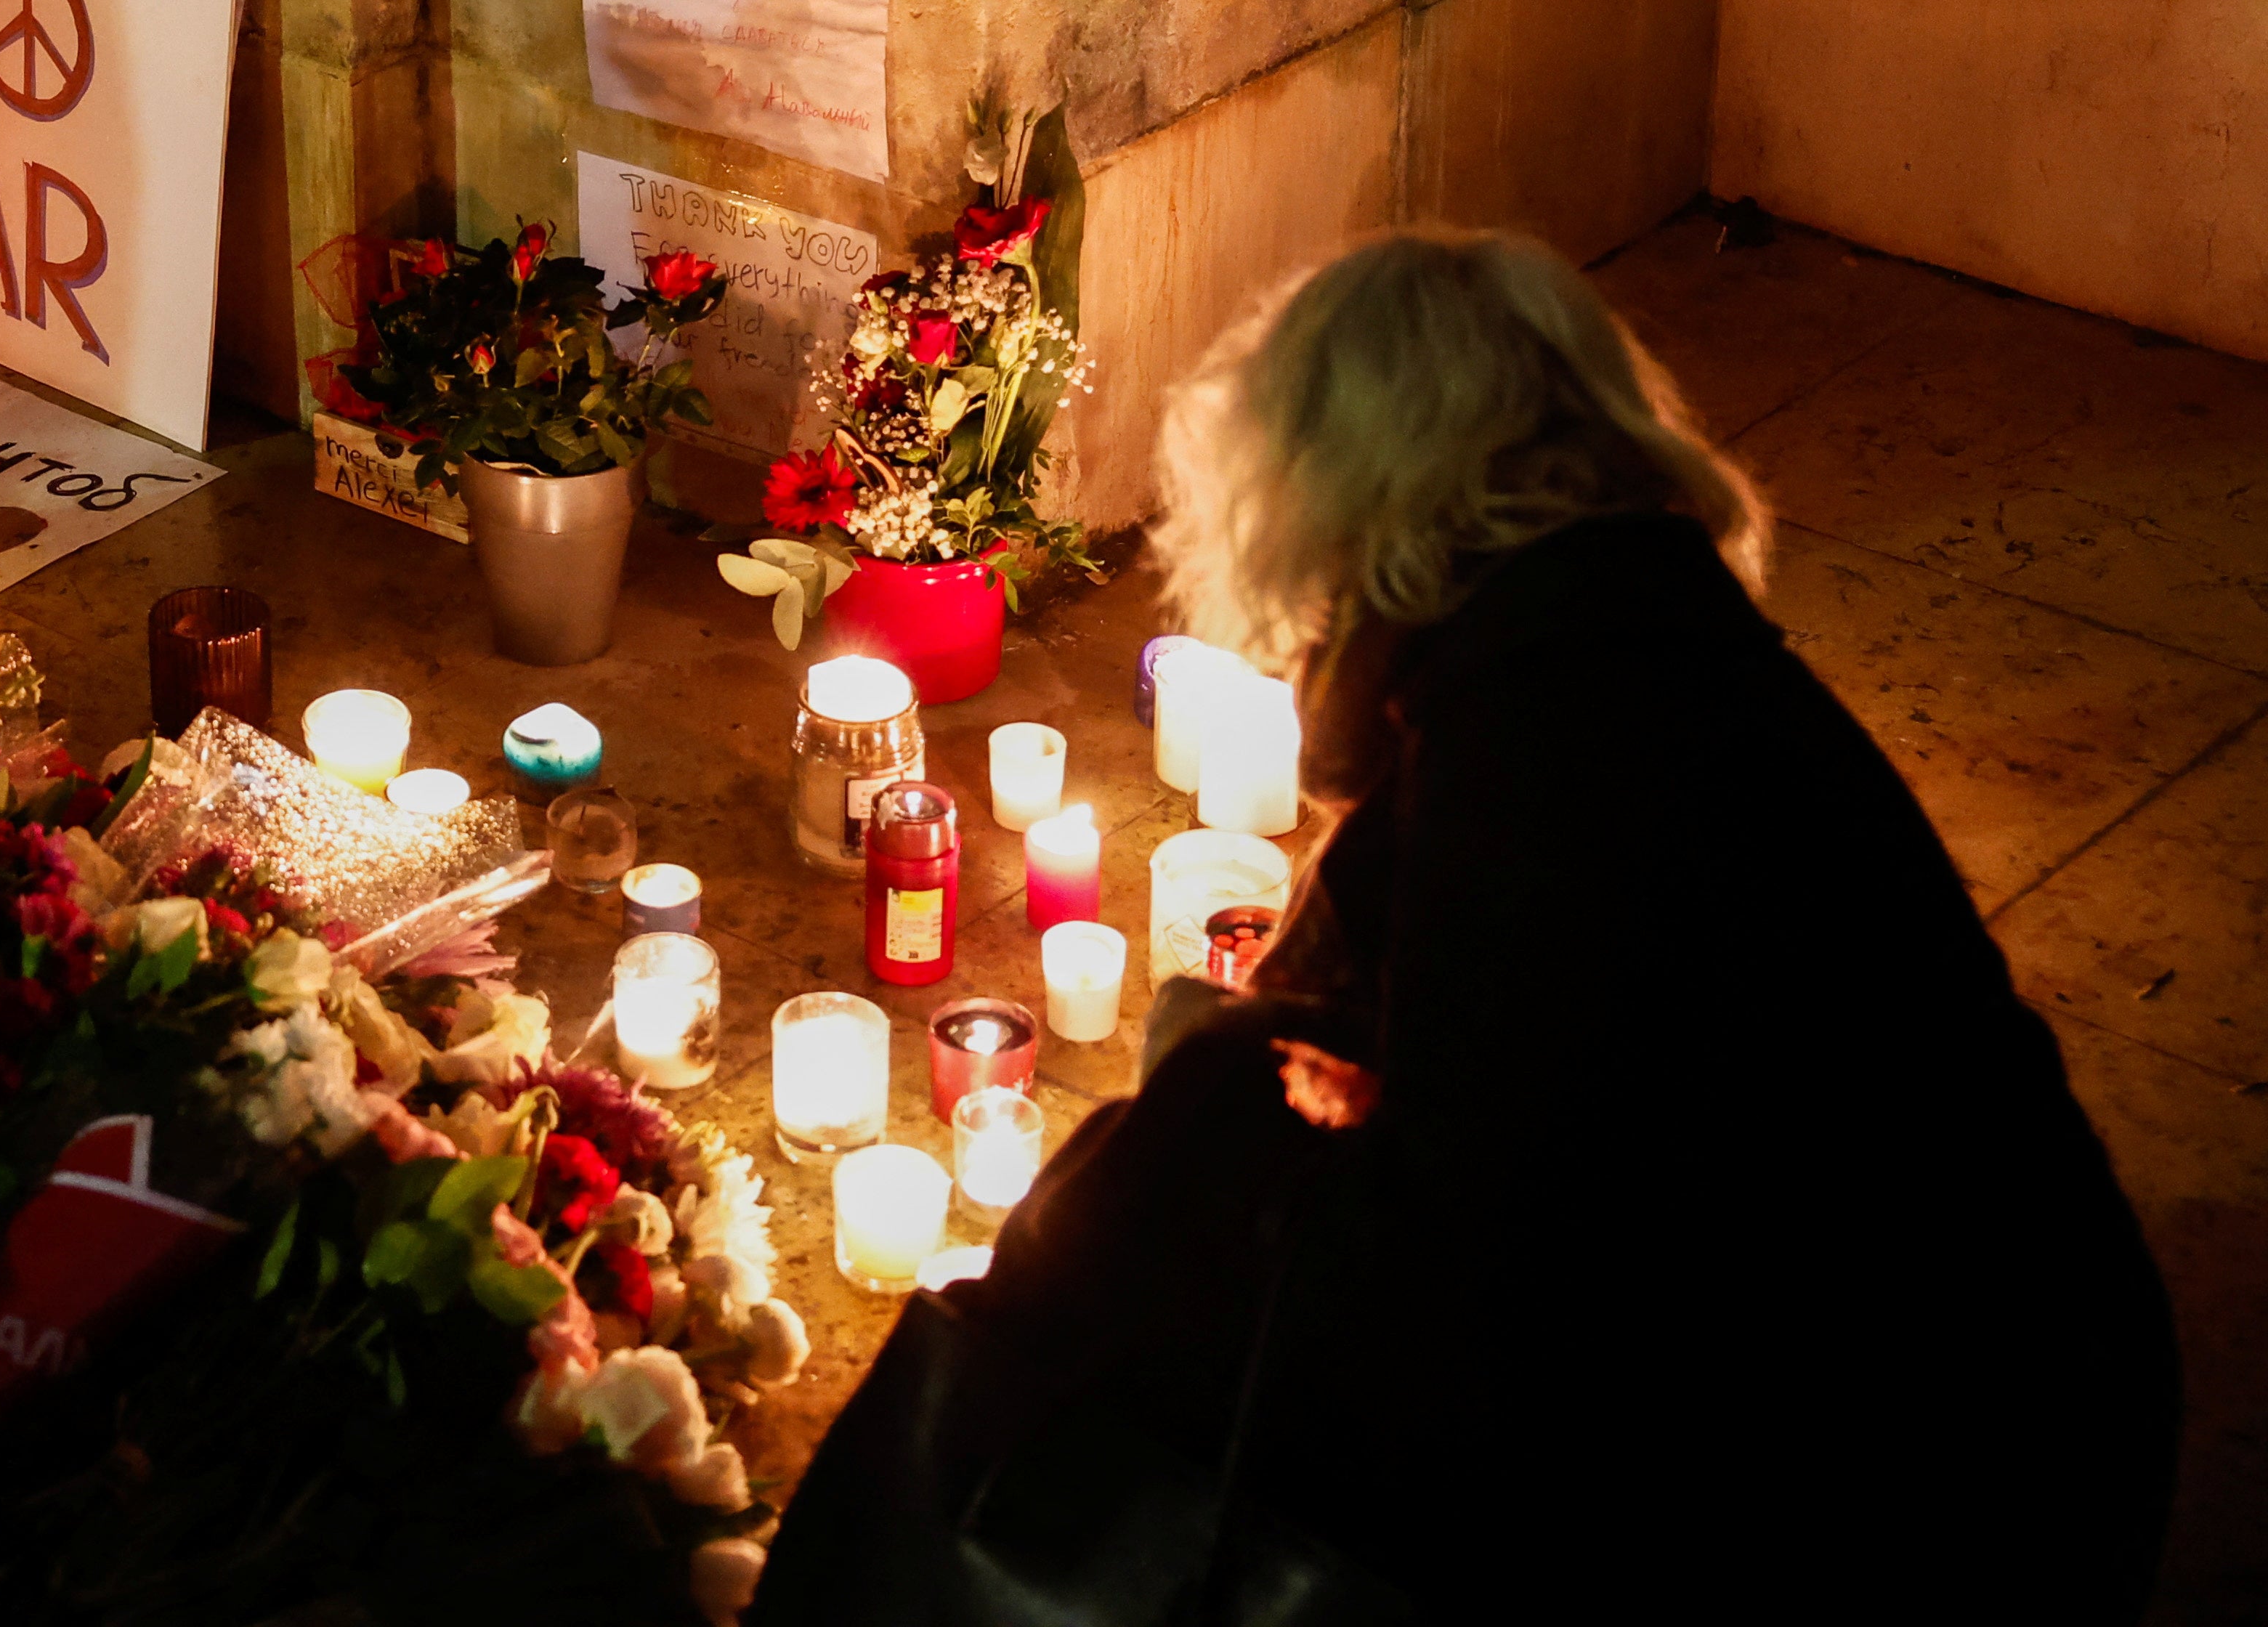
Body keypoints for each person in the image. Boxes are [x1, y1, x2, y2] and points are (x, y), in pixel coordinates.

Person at [762, 230, 2175, 1626]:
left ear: (1337, 506)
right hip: (2062, 1393)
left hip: (1898, 1508)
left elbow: (1469, 1273)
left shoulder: (1540, 749)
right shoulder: (1644, 642)